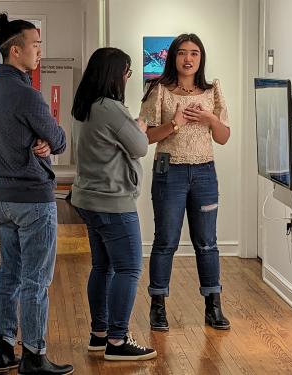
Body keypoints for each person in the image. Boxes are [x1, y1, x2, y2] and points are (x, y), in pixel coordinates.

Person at [0, 13, 73, 375]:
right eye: (35, 45)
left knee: (8, 274)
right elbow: (61, 140)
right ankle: (34, 355)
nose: (39, 51)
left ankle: (4, 349)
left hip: (2, 196)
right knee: (36, 279)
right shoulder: (26, 93)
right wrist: (46, 141)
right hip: (32, 200)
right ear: (16, 50)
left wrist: (36, 142)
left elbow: (17, 136)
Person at [139, 33, 231, 331]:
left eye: (194, 53)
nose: (188, 59)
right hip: (170, 172)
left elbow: (224, 137)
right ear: (173, 57)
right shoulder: (159, 90)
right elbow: (146, 138)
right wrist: (175, 123)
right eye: (182, 53)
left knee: (207, 242)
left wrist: (209, 118)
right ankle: (158, 305)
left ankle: (213, 305)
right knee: (166, 240)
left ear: (201, 58)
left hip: (205, 172)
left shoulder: (212, 90)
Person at [71, 47, 156, 361]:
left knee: (103, 266)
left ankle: (100, 334)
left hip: (89, 198)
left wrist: (131, 130)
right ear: (115, 74)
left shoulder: (85, 106)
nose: (127, 77)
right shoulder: (110, 107)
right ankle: (118, 341)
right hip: (112, 201)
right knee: (129, 268)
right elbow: (140, 147)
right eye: (127, 71)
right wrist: (140, 130)